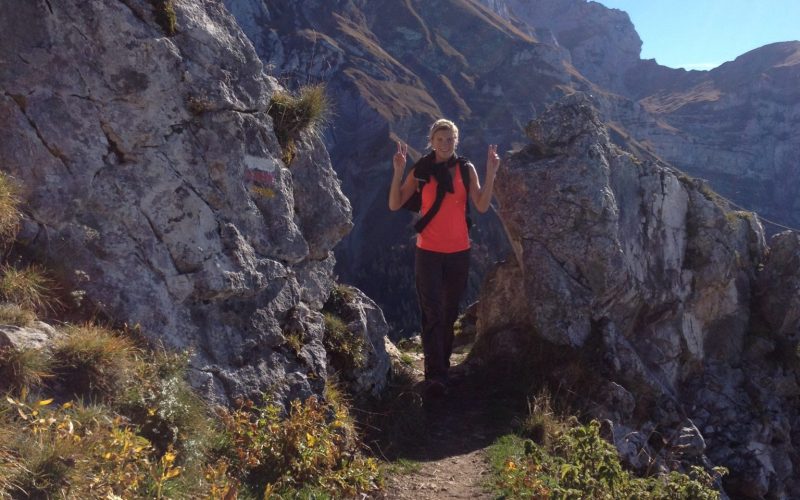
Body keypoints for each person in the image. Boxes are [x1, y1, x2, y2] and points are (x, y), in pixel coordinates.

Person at [388, 118, 500, 395]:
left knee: (449, 312)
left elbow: (482, 205)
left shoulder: (465, 168)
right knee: (432, 312)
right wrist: (399, 171)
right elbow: (394, 203)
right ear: (432, 141)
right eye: (440, 139)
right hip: (428, 251)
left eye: (449, 139)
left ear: (456, 141)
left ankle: (444, 367)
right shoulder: (422, 169)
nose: (445, 144)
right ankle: (435, 375)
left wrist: (492, 172)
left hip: (459, 251)